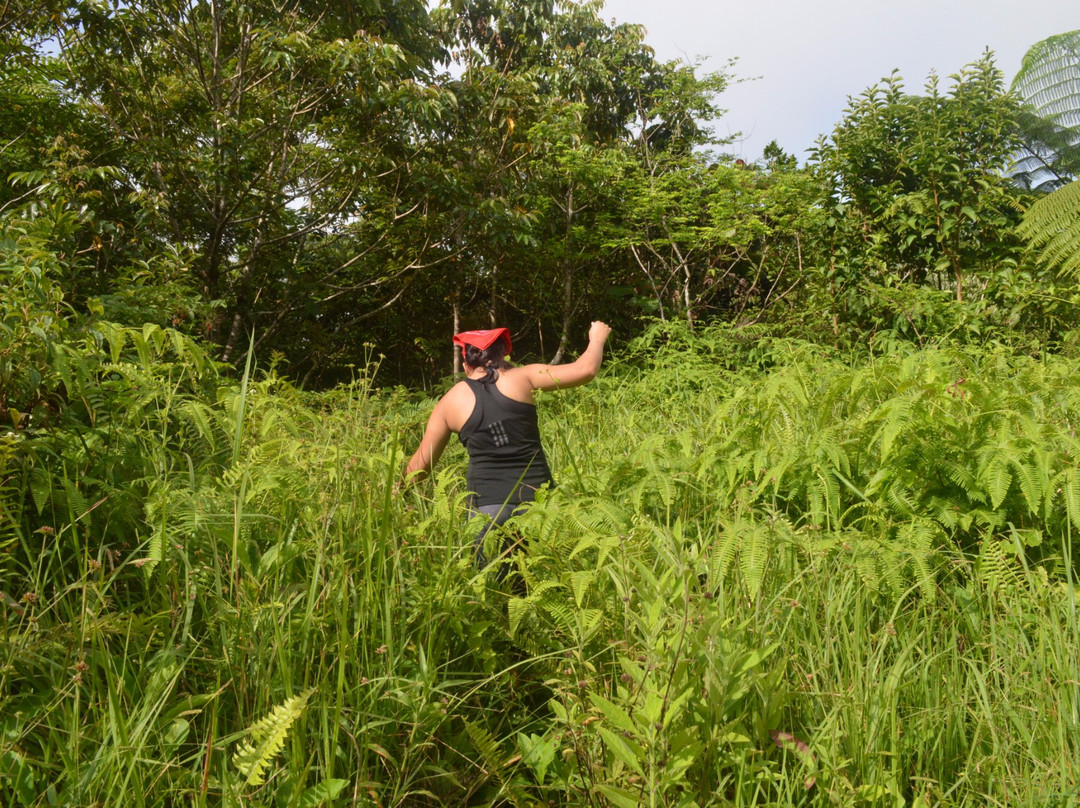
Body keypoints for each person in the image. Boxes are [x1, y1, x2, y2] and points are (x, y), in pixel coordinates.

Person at [405, 321, 611, 573]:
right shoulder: (523, 376)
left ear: (466, 364)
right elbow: (587, 370)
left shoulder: (449, 402)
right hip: (541, 504)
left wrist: (398, 489)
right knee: (546, 590)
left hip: (487, 509)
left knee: (497, 597)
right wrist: (597, 337)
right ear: (502, 354)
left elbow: (420, 468)